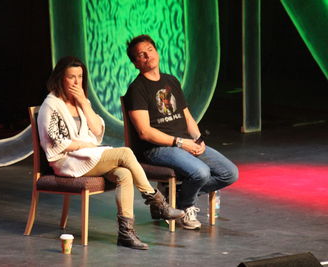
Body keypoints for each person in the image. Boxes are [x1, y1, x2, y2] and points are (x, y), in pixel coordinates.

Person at [37, 56, 184, 250]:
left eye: (80, 76)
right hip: (66, 161)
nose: (76, 82)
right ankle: (157, 202)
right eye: (71, 77)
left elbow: (97, 131)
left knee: (124, 174)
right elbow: (58, 142)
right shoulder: (51, 104)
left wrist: (84, 103)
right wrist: (85, 146)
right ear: (60, 78)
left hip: (86, 156)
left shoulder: (80, 101)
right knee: (124, 153)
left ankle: (126, 234)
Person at [124, 35, 239, 230]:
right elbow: (145, 132)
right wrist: (180, 142)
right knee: (201, 172)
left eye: (150, 50)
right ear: (136, 63)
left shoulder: (171, 81)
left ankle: (173, 195)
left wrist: (198, 139)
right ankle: (186, 207)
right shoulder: (137, 89)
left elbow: (186, 117)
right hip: (157, 148)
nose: (147, 56)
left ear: (157, 52)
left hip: (183, 143)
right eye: (141, 55)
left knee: (229, 173)